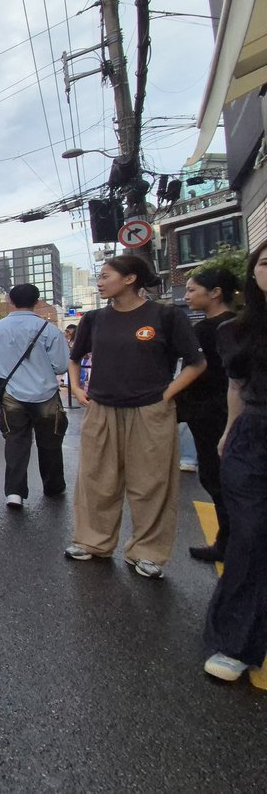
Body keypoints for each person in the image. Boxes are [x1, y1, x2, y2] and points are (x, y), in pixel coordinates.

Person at [66, 255, 205, 580]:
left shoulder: (165, 315)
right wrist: (76, 387)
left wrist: (166, 395)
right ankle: (92, 542)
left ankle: (148, 552)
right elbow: (75, 358)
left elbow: (197, 363)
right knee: (96, 479)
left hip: (150, 410)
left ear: (130, 279)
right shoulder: (95, 319)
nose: (99, 281)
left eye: (105, 275)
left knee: (151, 483)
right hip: (101, 408)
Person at [202, 240, 267, 681]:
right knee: (250, 538)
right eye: (266, 262)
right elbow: (237, 387)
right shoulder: (238, 330)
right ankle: (235, 641)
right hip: (253, 438)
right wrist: (229, 431)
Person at [0, 284, 70, 509]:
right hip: (46, 393)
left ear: (11, 300)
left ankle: (14, 492)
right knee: (50, 442)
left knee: (16, 442)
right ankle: (53, 486)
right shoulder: (49, 329)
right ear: (37, 301)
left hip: (11, 394)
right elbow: (60, 365)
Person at [177, 266, 239, 561]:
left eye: (192, 290)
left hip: (217, 414)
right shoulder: (214, 326)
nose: (186, 296)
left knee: (220, 479)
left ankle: (230, 545)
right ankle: (229, 542)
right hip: (210, 413)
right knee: (216, 479)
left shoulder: (226, 328)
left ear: (215, 293)